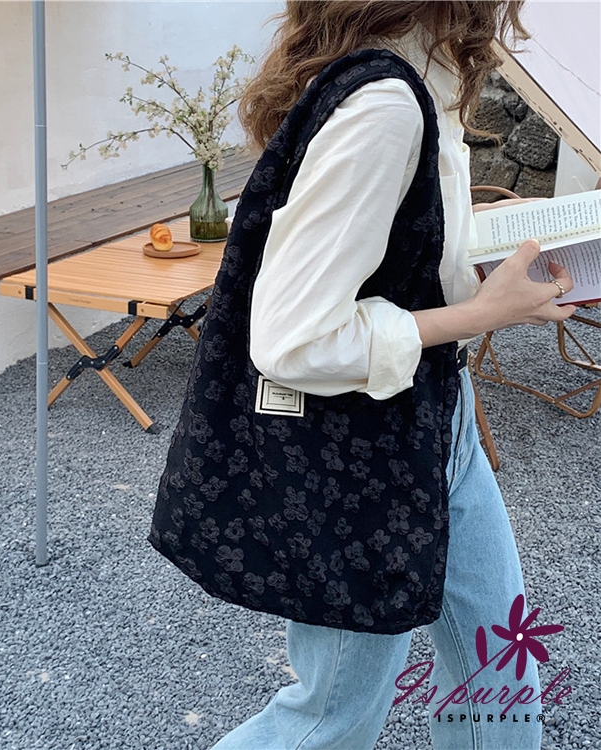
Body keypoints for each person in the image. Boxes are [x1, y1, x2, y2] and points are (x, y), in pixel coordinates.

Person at [149, 2, 576, 748]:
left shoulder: (402, 78)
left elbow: (391, 251)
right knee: (332, 716)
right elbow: (294, 338)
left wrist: (499, 262)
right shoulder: (385, 104)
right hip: (363, 450)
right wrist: (484, 314)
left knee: (498, 664)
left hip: (434, 416)